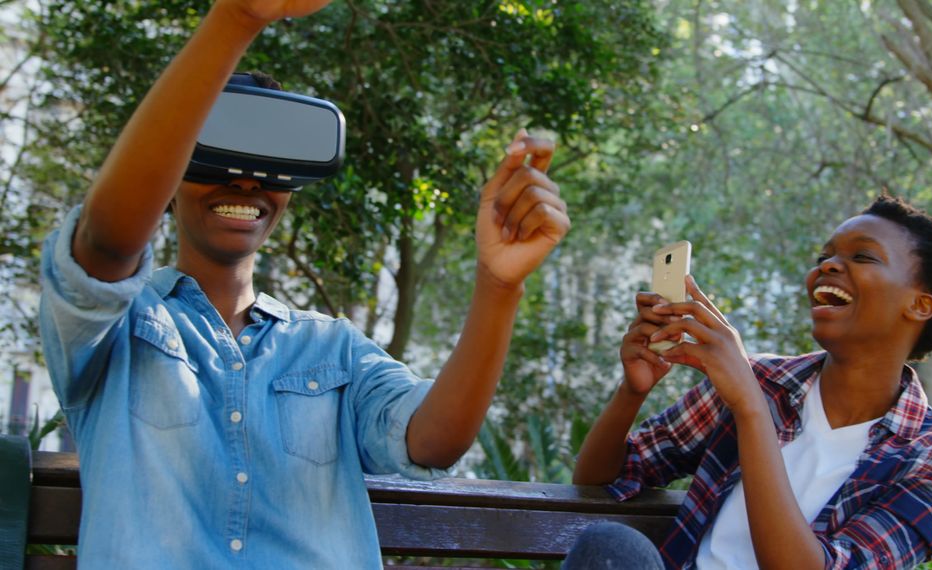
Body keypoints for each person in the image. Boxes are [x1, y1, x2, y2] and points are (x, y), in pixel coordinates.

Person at [38, 1, 569, 568]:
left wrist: (497, 285)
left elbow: (434, 440)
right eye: (216, 155)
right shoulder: (112, 330)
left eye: (271, 161)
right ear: (169, 179)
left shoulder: (334, 348)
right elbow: (106, 245)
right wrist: (237, 17)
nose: (245, 179)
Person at [569, 196, 932, 570]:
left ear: (920, 304)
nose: (829, 266)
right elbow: (597, 482)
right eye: (825, 256)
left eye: (863, 257)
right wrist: (633, 391)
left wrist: (750, 407)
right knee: (609, 545)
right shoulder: (763, 379)